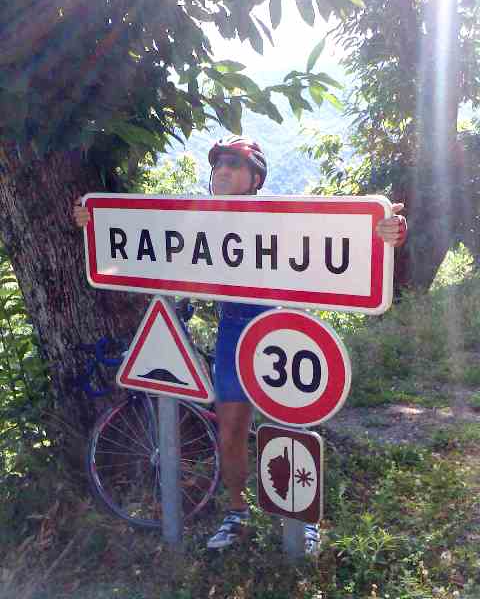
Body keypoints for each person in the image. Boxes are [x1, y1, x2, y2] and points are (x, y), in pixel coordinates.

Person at [73, 135, 407, 554]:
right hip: (232, 331)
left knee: (289, 427)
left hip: (281, 328)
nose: (222, 171)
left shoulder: (280, 216)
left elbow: (349, 233)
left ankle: (302, 521)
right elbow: (150, 238)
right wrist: (95, 222)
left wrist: (387, 231)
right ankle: (236, 513)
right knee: (229, 432)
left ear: (256, 178)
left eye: (234, 164)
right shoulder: (202, 218)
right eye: (218, 165)